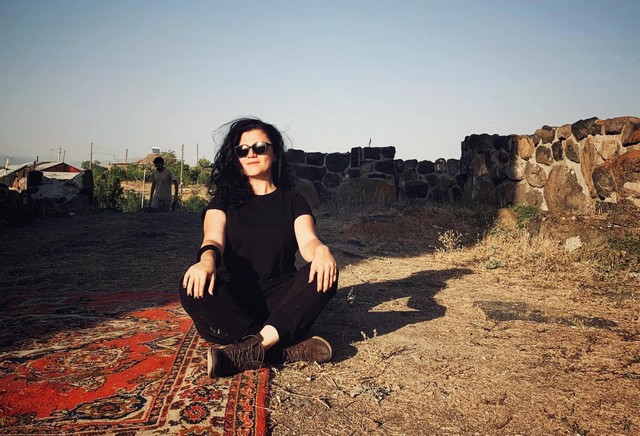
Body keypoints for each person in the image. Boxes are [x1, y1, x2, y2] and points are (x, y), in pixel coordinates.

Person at [180, 118, 338, 377]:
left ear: (274, 153)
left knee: (324, 271)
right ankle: (283, 350)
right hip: (233, 303)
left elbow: (308, 241)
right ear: (236, 159)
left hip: (281, 302)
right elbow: (213, 240)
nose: (251, 154)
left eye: (259, 148)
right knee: (190, 286)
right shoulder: (223, 201)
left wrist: (321, 250)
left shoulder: (293, 201)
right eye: (242, 150)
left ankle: (249, 349)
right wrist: (206, 261)